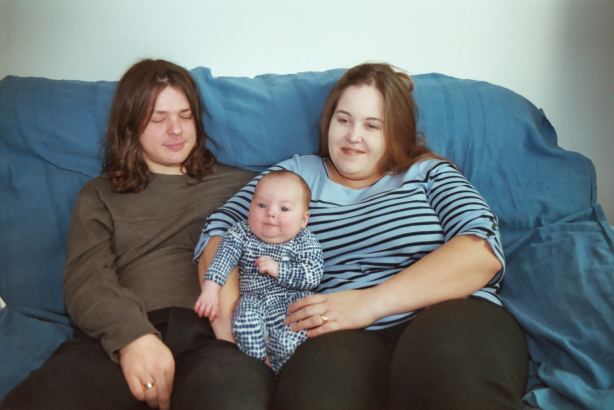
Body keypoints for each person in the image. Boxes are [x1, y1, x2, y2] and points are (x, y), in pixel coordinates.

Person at [194, 63, 529, 409]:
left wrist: (369, 304)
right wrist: (233, 332)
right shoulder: (297, 174)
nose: (353, 136)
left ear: (394, 131)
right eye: (344, 120)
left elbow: (481, 249)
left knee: (453, 383)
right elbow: (219, 230)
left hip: (449, 314)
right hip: (339, 336)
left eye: (372, 125)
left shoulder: (429, 173)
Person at [0, 59, 272, 410]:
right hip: (120, 338)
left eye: (185, 115)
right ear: (130, 127)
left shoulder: (245, 187)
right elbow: (86, 279)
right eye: (158, 119)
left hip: (212, 341)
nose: (176, 130)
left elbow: (302, 216)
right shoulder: (100, 194)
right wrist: (133, 337)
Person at [195, 170, 324, 374]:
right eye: (261, 205)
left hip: (291, 301)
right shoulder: (241, 233)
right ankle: (257, 366)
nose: (270, 213)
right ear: (250, 207)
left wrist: (279, 270)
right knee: (245, 325)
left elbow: (313, 274)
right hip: (252, 299)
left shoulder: (305, 241)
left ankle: (279, 369)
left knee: (290, 339)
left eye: (284, 208)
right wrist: (211, 288)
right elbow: (223, 259)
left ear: (303, 219)